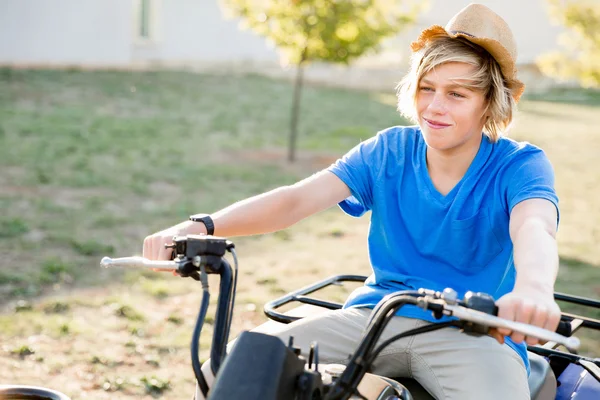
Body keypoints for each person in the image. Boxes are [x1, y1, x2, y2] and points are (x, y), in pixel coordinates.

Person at [143, 3, 561, 399]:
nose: (434, 106)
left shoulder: (519, 164)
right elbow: (295, 200)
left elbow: (534, 227)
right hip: (376, 318)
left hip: (475, 333)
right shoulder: (389, 151)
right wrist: (200, 226)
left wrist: (535, 289)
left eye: (456, 94)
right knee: (230, 369)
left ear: (489, 102)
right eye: (426, 88)